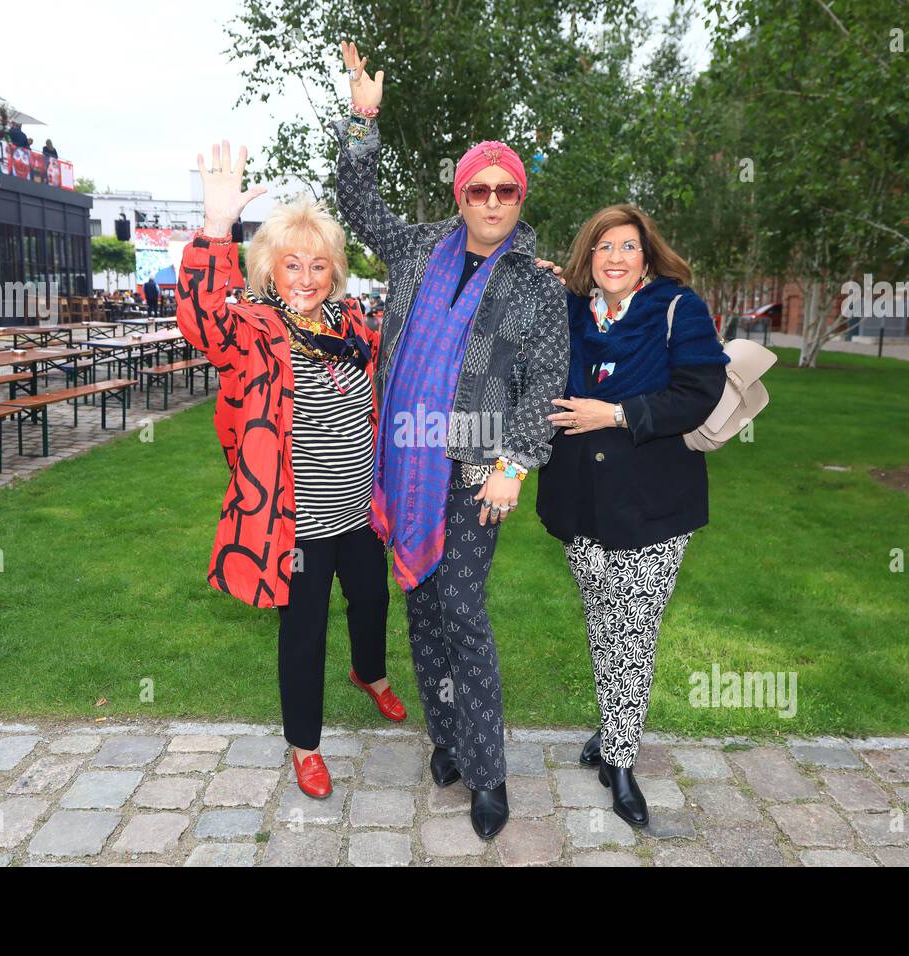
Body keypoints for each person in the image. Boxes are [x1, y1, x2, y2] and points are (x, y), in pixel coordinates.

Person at [332, 41, 569, 839]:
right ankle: (447, 739)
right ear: (460, 194)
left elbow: (543, 384)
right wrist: (363, 121)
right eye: (480, 188)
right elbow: (359, 206)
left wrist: (514, 463)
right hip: (400, 460)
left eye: (507, 189)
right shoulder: (417, 250)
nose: (494, 200)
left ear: (519, 197)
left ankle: (489, 773)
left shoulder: (536, 283)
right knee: (421, 608)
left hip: (475, 469)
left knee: (463, 610)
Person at [175, 141, 406, 799]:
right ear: (269, 270)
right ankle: (305, 745)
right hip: (297, 525)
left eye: (319, 265)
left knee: (371, 599)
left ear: (335, 273)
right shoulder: (253, 328)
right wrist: (215, 226)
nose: (305, 277)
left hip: (360, 512)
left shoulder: (354, 323)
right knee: (303, 634)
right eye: (291, 265)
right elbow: (200, 321)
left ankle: (371, 674)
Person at [535, 204, 729, 828]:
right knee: (603, 621)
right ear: (586, 256)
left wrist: (615, 415)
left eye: (627, 246)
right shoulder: (568, 308)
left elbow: (699, 393)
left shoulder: (677, 307)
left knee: (634, 629)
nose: (614, 258)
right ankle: (612, 727)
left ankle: (619, 759)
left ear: (646, 255)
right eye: (602, 247)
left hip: (653, 502)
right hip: (579, 499)